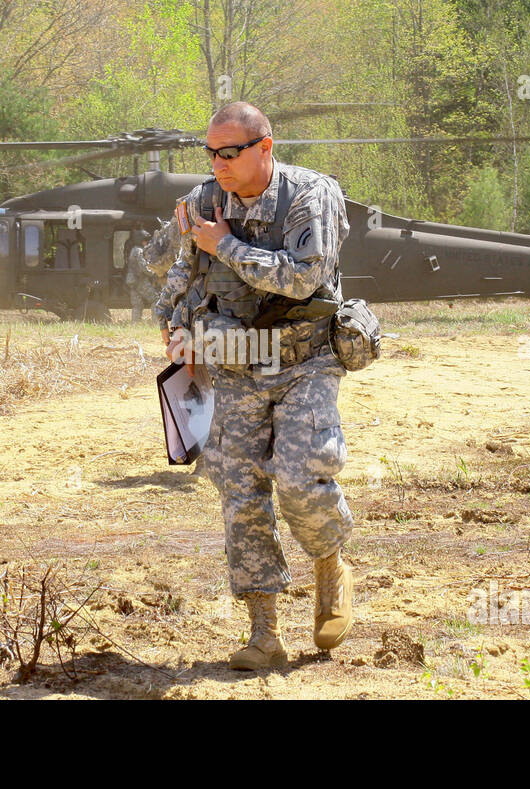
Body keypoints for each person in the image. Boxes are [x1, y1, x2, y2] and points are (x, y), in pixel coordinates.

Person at [147, 101, 355, 670]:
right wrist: (173, 329)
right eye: (210, 153)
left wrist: (227, 246)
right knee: (240, 497)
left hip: (304, 360)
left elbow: (304, 277)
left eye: (230, 153)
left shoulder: (312, 195)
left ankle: (329, 565)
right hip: (235, 367)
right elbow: (179, 275)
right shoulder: (202, 203)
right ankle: (265, 632)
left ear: (265, 146)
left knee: (300, 476)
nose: (218, 164)